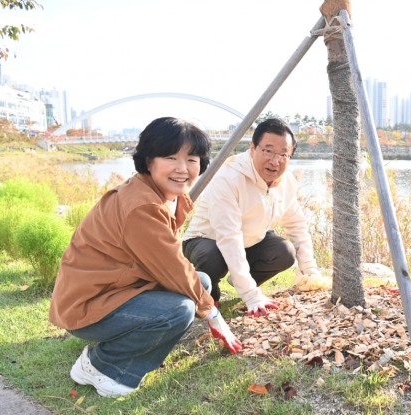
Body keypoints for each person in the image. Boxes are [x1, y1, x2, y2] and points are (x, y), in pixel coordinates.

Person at [50, 117, 243, 398]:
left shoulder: (159, 194)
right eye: (170, 157)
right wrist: (213, 315)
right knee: (179, 309)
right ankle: (101, 364)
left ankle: (118, 353)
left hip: (113, 290)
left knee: (200, 281)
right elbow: (173, 267)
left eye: (192, 159)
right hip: (87, 307)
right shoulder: (142, 206)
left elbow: (169, 262)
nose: (182, 168)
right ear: (148, 160)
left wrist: (205, 301)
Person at [182, 118, 328, 317]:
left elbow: (296, 225)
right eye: (268, 151)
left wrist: (310, 271)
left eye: (283, 154)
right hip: (206, 239)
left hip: (250, 240)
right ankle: (211, 293)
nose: (275, 161)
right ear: (252, 148)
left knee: (284, 251)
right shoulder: (228, 177)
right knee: (213, 258)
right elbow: (228, 236)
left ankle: (241, 281)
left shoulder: (286, 181)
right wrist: (251, 295)